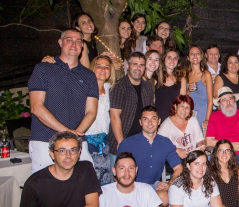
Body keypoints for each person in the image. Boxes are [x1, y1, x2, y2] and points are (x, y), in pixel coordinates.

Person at [29, 28, 98, 173]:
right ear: (60, 43)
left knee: (84, 186)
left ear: (82, 46)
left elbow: (91, 111)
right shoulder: (43, 69)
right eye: (69, 40)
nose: (74, 44)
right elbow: (36, 107)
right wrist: (67, 133)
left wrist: (75, 134)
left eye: (78, 41)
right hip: (45, 141)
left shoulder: (89, 75)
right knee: (46, 190)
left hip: (77, 143)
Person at [117, 105, 183, 207]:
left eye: (153, 118)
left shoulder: (165, 143)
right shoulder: (127, 144)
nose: (150, 123)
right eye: (145, 119)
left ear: (159, 121)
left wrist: (169, 183)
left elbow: (178, 168)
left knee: (164, 197)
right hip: (133, 185)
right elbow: (117, 173)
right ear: (140, 122)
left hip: (153, 185)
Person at [107, 52, 154, 163]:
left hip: (141, 142)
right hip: (122, 141)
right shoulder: (119, 87)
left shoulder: (147, 87)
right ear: (128, 66)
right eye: (135, 64)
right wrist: (121, 142)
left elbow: (150, 114)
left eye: (141, 65)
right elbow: (114, 116)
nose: (138, 68)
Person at [86, 55, 116, 185]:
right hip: (87, 136)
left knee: (104, 176)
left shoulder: (110, 88)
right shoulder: (85, 87)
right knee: (89, 175)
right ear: (93, 68)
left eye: (106, 67)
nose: (103, 70)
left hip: (104, 137)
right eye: (99, 66)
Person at [206, 87, 239, 164]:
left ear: (234, 100)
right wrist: (230, 145)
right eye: (224, 100)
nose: (228, 103)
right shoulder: (214, 117)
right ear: (219, 103)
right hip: (224, 155)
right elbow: (209, 142)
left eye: (230, 99)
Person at [158, 95, 206, 159]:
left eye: (187, 107)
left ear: (190, 111)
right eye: (182, 106)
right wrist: (175, 150)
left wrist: (201, 145)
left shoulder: (193, 121)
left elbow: (201, 140)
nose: (184, 110)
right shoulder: (166, 125)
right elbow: (158, 146)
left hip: (191, 159)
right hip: (174, 161)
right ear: (175, 107)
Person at [155, 48, 187, 122]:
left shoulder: (181, 79)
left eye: (175, 58)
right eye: (169, 57)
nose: (172, 60)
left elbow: (182, 103)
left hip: (174, 119)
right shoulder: (156, 77)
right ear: (163, 59)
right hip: (158, 119)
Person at [185, 45, 213, 127]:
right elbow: (182, 97)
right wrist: (189, 90)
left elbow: (210, 100)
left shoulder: (206, 74)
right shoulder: (185, 74)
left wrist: (207, 119)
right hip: (188, 112)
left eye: (197, 53)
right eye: (192, 53)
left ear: (201, 57)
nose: (194, 56)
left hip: (202, 112)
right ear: (188, 57)